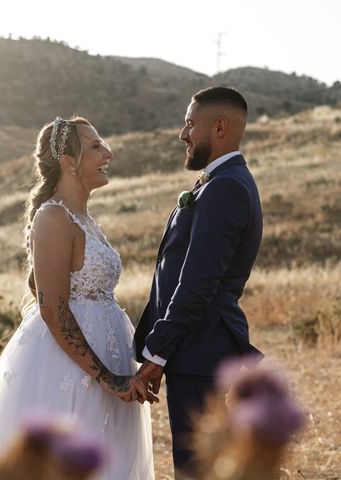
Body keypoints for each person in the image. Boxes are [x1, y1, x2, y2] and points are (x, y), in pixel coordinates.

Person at [0, 116, 156, 480]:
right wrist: (110, 379)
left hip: (108, 356)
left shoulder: (84, 219)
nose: (108, 152)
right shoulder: (54, 219)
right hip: (68, 368)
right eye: (95, 146)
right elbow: (53, 310)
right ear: (68, 162)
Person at [133, 86, 264, 478]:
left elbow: (197, 283)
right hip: (200, 346)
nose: (182, 133)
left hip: (200, 347)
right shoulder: (220, 181)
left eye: (190, 123)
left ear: (219, 126)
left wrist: (157, 352)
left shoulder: (225, 187)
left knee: (197, 469)